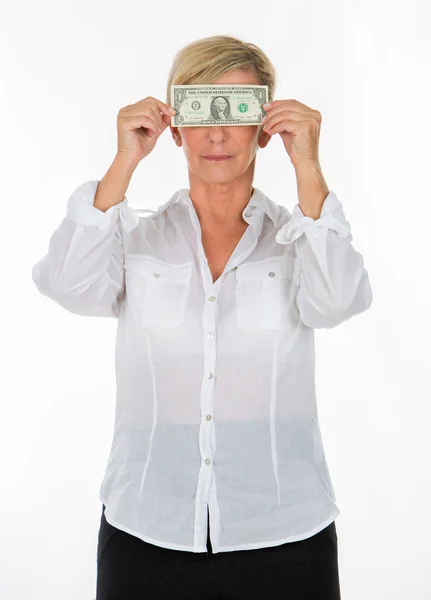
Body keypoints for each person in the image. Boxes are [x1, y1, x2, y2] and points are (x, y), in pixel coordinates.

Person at [32, 34, 372, 600]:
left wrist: (308, 165)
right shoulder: (135, 240)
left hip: (285, 529)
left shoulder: (298, 241)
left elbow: (337, 299)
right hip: (146, 527)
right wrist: (124, 160)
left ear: (264, 124)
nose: (217, 133)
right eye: (200, 108)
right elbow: (66, 283)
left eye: (236, 110)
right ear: (176, 125)